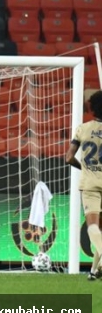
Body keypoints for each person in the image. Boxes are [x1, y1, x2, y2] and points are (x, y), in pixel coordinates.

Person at [66, 90, 102, 281]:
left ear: (92, 108)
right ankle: (95, 271)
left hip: (90, 183)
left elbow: (69, 157)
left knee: (93, 228)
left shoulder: (83, 128)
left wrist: (84, 167)